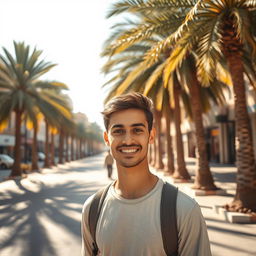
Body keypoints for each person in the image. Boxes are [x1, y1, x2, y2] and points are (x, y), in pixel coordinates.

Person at [81, 92, 212, 256]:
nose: (128, 140)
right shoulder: (92, 209)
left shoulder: (184, 210)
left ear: (151, 136)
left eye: (137, 130)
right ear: (107, 138)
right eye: (118, 131)